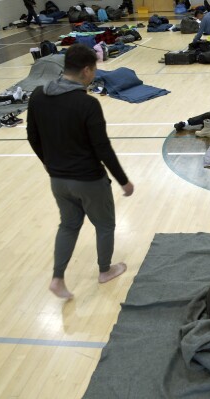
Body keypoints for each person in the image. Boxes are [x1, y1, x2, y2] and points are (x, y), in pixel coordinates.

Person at [26, 44, 134, 300]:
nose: (95, 74)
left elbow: (32, 137)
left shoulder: (39, 95)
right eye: (94, 69)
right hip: (89, 180)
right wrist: (123, 181)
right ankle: (105, 271)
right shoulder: (87, 104)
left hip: (58, 180)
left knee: (68, 225)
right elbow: (102, 148)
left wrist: (50, 164)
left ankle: (57, 278)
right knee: (105, 224)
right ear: (86, 70)